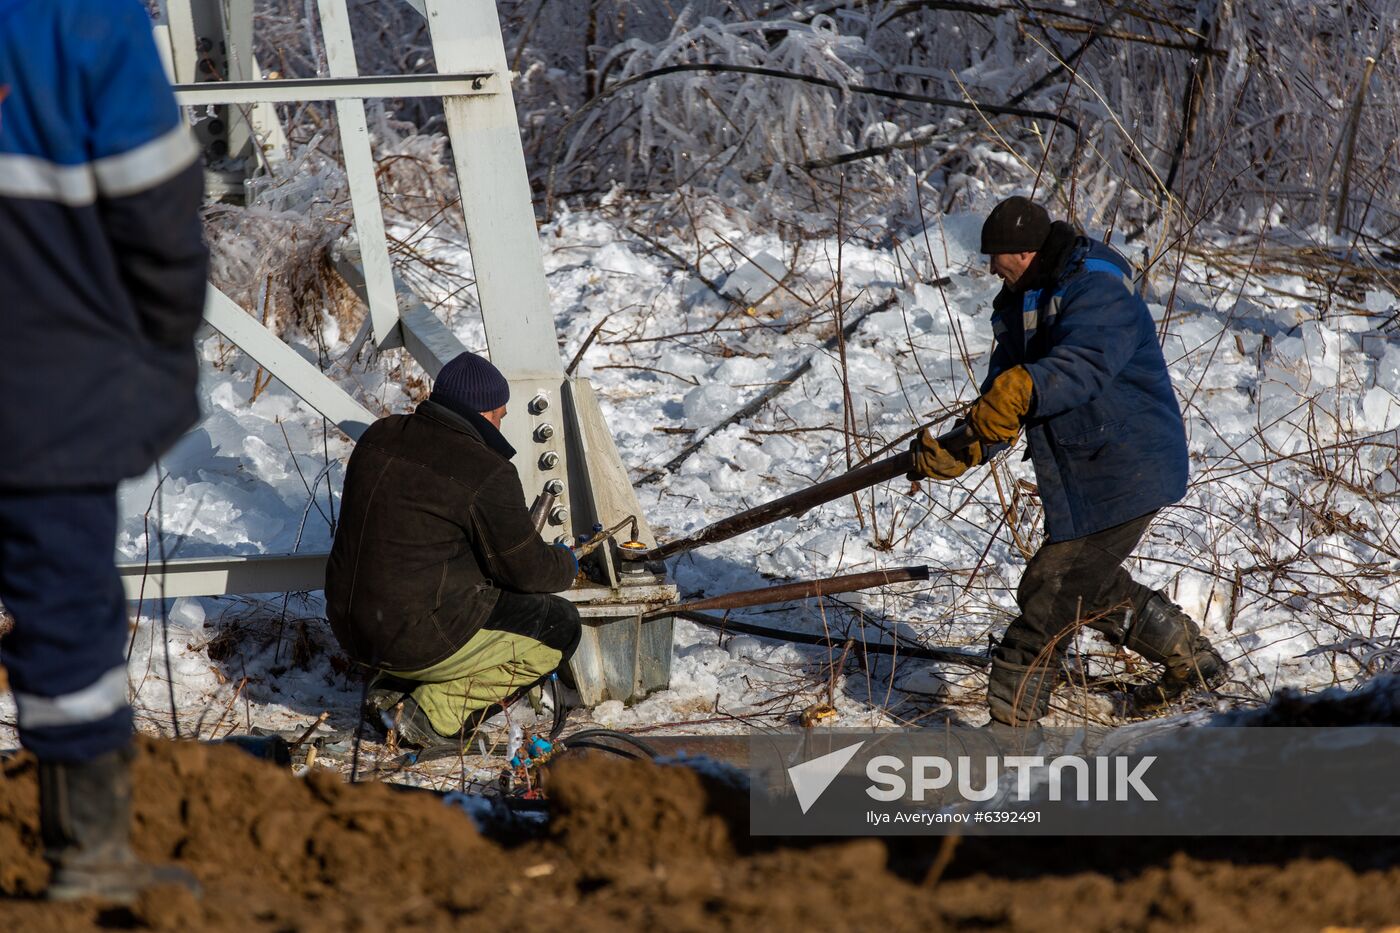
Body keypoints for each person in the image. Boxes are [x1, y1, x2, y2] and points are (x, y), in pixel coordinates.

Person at [0, 0, 208, 901]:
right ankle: (90, 858)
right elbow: (158, 208)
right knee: (66, 607)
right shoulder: (83, 18)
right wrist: (161, 337)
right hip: (47, 381)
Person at [909, 196, 1228, 728]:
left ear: (1026, 251)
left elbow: (1080, 364)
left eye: (997, 256)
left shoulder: (1096, 287)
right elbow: (1004, 395)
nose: (990, 268)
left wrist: (1019, 388)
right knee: (1086, 583)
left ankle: (1010, 734)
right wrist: (966, 444)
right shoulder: (1019, 301)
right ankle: (1191, 664)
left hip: (1128, 463)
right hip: (1083, 469)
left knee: (1050, 594)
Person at [326, 351, 582, 750]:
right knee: (557, 624)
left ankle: (390, 690)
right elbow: (527, 573)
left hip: (351, 626)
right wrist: (565, 562)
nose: (502, 421)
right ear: (483, 413)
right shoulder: (486, 470)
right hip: (413, 636)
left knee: (432, 592)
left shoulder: (381, 435)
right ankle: (430, 713)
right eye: (500, 413)